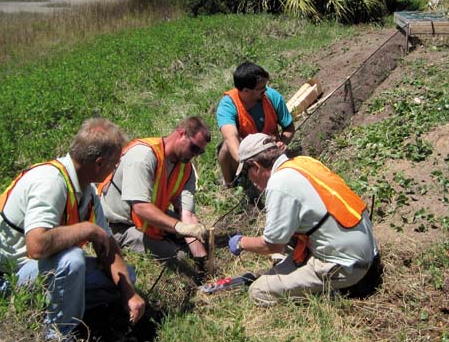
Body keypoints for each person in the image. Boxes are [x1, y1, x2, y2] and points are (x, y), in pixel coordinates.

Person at [0, 118, 146, 342]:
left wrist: (129, 294)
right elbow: (36, 246)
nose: (114, 169)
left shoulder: (87, 190)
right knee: (72, 260)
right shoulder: (50, 183)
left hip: (43, 273)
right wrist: (87, 229)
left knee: (124, 277)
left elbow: (108, 246)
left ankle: (65, 311)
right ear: (99, 163)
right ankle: (59, 341)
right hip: (10, 278)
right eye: (114, 164)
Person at [227, 133, 380, 306]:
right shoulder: (303, 162)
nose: (249, 179)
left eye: (247, 173)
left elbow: (272, 245)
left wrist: (241, 242)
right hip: (365, 250)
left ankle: (339, 292)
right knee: (287, 244)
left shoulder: (279, 184)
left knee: (258, 291)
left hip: (348, 265)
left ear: (256, 167)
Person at [99, 116, 210, 263]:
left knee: (200, 246)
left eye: (200, 152)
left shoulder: (186, 170)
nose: (195, 155)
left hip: (150, 219)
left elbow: (187, 215)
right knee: (176, 257)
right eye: (194, 148)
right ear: (181, 133)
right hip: (119, 224)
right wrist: (179, 227)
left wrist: (201, 258)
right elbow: (141, 207)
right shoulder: (143, 156)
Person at [216, 61, 295, 187]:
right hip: (246, 154)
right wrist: (247, 165)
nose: (265, 90)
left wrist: (283, 142)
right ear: (246, 90)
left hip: (269, 149)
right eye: (260, 89)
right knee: (225, 148)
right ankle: (230, 183)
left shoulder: (272, 97)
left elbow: (289, 128)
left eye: (265, 86)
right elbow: (230, 137)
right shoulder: (228, 105)